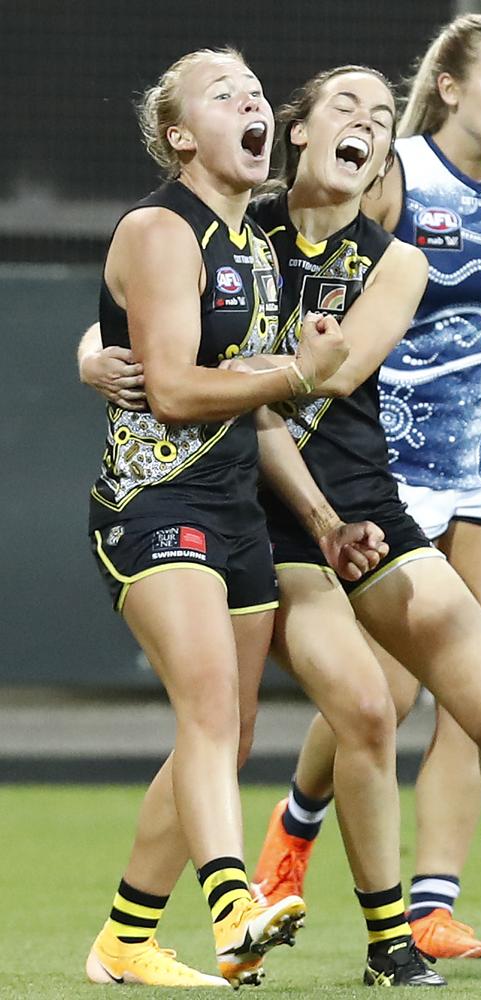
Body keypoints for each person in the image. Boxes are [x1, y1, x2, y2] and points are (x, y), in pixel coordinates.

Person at [83, 55, 481, 987]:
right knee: (347, 710)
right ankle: (382, 933)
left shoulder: (394, 259)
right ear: (299, 132)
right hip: (258, 514)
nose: (368, 119)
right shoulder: (241, 221)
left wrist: (315, 461)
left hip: (359, 507)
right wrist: (97, 352)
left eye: (380, 112)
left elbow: (334, 370)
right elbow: (156, 307)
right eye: (346, 105)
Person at [252, 12, 481, 963]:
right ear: (448, 85)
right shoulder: (391, 170)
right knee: (384, 697)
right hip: (391, 463)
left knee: (477, 702)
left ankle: (432, 910)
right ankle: (295, 827)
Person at [78, 45, 380, 990]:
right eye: (225, 95)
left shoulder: (254, 247)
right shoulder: (161, 231)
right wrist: (299, 373)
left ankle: (125, 939)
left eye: (255, 90)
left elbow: (252, 404)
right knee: (208, 713)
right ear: (179, 139)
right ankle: (231, 904)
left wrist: (323, 518)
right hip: (152, 503)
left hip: (237, 511)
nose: (251, 101)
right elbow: (170, 388)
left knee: (230, 734)